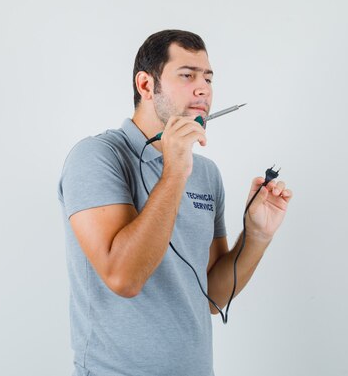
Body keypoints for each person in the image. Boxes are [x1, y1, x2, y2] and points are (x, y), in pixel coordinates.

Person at [58, 29, 292, 376]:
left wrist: (256, 236)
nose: (204, 89)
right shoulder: (96, 157)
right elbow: (124, 278)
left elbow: (213, 294)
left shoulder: (206, 174)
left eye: (208, 78)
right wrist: (175, 170)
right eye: (187, 75)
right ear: (146, 85)